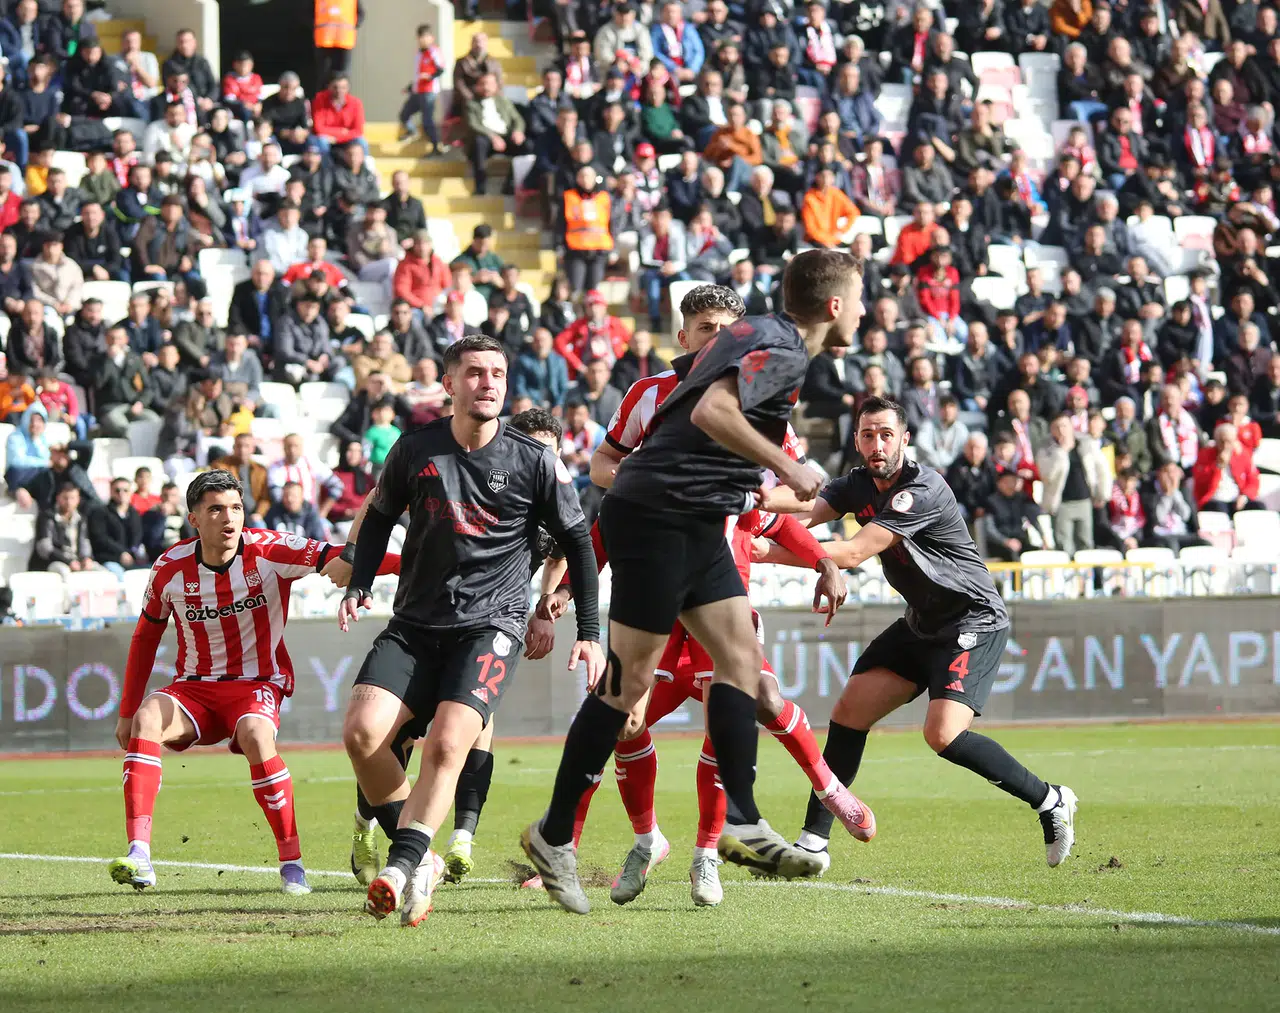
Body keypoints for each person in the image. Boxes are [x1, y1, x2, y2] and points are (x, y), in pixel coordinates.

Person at [524, 250, 861, 913]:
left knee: (742, 664)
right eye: (859, 298)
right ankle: (554, 833)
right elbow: (712, 412)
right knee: (626, 689)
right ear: (834, 306)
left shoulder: (752, 334)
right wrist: (789, 468)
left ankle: (741, 821)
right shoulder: (782, 349)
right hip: (662, 514)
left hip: (695, 517)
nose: (864, 309)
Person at [336, 335, 602, 925]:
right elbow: (379, 515)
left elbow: (578, 542)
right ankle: (422, 855)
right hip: (414, 624)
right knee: (361, 735)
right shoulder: (414, 449)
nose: (488, 383)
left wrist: (587, 627)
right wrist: (359, 584)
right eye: (475, 373)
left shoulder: (534, 460)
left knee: (448, 743)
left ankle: (401, 865)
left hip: (491, 625)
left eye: (498, 374)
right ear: (449, 384)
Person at [770, 396, 1078, 870]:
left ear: (905, 439)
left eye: (886, 435)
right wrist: (749, 503)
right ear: (857, 441)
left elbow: (851, 553)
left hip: (972, 620)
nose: (877, 444)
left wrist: (762, 551)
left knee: (943, 735)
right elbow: (804, 510)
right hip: (922, 622)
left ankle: (1051, 800)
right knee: (850, 712)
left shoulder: (921, 489)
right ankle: (814, 841)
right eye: (868, 435)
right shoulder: (857, 483)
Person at [110, 469, 351, 895]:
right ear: (193, 519)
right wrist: (127, 711)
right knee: (147, 718)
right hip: (194, 688)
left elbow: (341, 555)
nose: (229, 518)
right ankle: (139, 854)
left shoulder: (269, 550)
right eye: (216, 509)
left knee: (257, 734)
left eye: (236, 508)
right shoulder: (169, 568)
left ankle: (292, 864)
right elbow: (145, 638)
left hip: (256, 683)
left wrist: (420, 560)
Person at [560, 163, 612, 297]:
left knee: (593, 291)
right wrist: (559, 245)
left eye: (588, 176)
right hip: (576, 249)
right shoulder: (569, 197)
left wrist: (613, 248)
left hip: (599, 249)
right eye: (582, 176)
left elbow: (612, 223)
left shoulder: (604, 198)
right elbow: (560, 223)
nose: (585, 180)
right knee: (575, 289)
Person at [29, 480, 94, 575]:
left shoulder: (81, 519)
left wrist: (86, 558)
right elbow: (44, 547)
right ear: (58, 498)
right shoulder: (47, 517)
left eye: (72, 498)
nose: (69, 502)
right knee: (64, 572)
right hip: (52, 562)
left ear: (78, 499)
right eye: (65, 498)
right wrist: (68, 561)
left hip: (77, 561)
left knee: (104, 574)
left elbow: (85, 543)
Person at [88, 475, 146, 574]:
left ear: (131, 492)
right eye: (117, 490)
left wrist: (131, 553)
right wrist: (121, 553)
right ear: (111, 491)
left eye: (125, 490)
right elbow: (100, 538)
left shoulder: (134, 513)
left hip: (132, 559)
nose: (121, 494)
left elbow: (137, 537)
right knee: (119, 575)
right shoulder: (100, 512)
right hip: (108, 559)